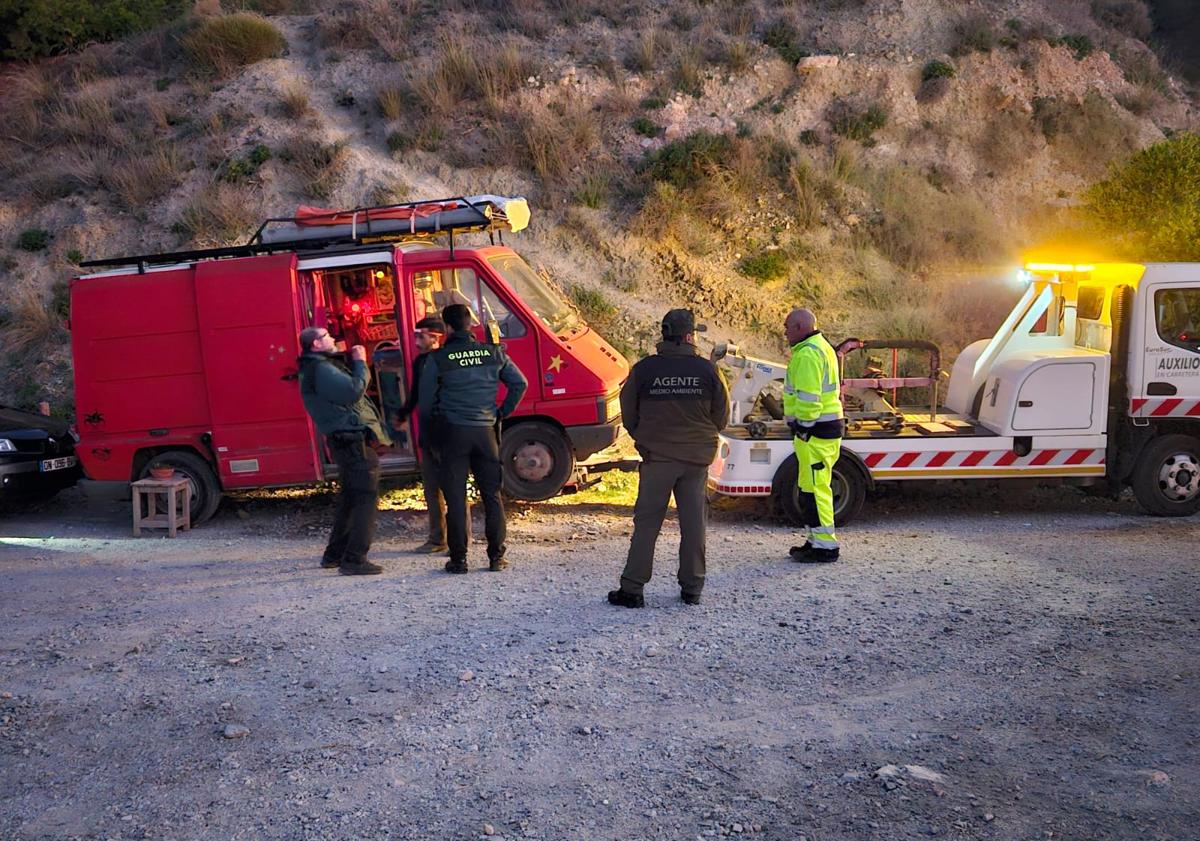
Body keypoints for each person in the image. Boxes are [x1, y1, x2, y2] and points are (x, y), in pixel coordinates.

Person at [608, 308, 729, 608]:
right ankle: (692, 589)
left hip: (657, 458)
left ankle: (633, 589)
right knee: (693, 525)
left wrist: (645, 439)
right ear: (689, 336)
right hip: (696, 460)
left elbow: (629, 414)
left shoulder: (644, 370)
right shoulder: (709, 370)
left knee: (647, 524)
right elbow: (722, 418)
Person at [418, 304, 528, 574]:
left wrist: (430, 437)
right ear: (471, 325)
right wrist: (501, 412)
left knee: (455, 498)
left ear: (448, 328)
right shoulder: (493, 353)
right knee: (491, 496)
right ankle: (496, 558)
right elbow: (520, 383)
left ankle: (459, 560)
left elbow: (425, 403)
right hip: (486, 433)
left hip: (453, 433)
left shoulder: (438, 359)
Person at [297, 325, 391, 576]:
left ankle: (334, 554)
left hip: (343, 440)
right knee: (365, 500)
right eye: (326, 336)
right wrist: (361, 363)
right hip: (352, 442)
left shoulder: (315, 367)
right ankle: (355, 559)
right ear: (316, 344)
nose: (333, 338)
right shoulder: (322, 369)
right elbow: (352, 391)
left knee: (350, 498)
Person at [783, 307, 845, 563]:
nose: (785, 332)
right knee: (810, 488)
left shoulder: (808, 354)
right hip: (819, 432)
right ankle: (815, 540)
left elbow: (810, 399)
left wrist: (803, 427)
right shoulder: (819, 347)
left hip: (815, 432)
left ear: (799, 327)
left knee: (817, 489)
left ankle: (826, 547)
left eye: (787, 327)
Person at [395, 316, 450, 554]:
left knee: (453, 489)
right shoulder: (420, 362)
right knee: (431, 488)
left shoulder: (447, 361)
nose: (416, 339)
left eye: (421, 335)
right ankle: (437, 539)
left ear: (436, 337)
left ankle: (459, 541)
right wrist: (403, 413)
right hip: (427, 433)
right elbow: (416, 392)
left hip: (446, 433)